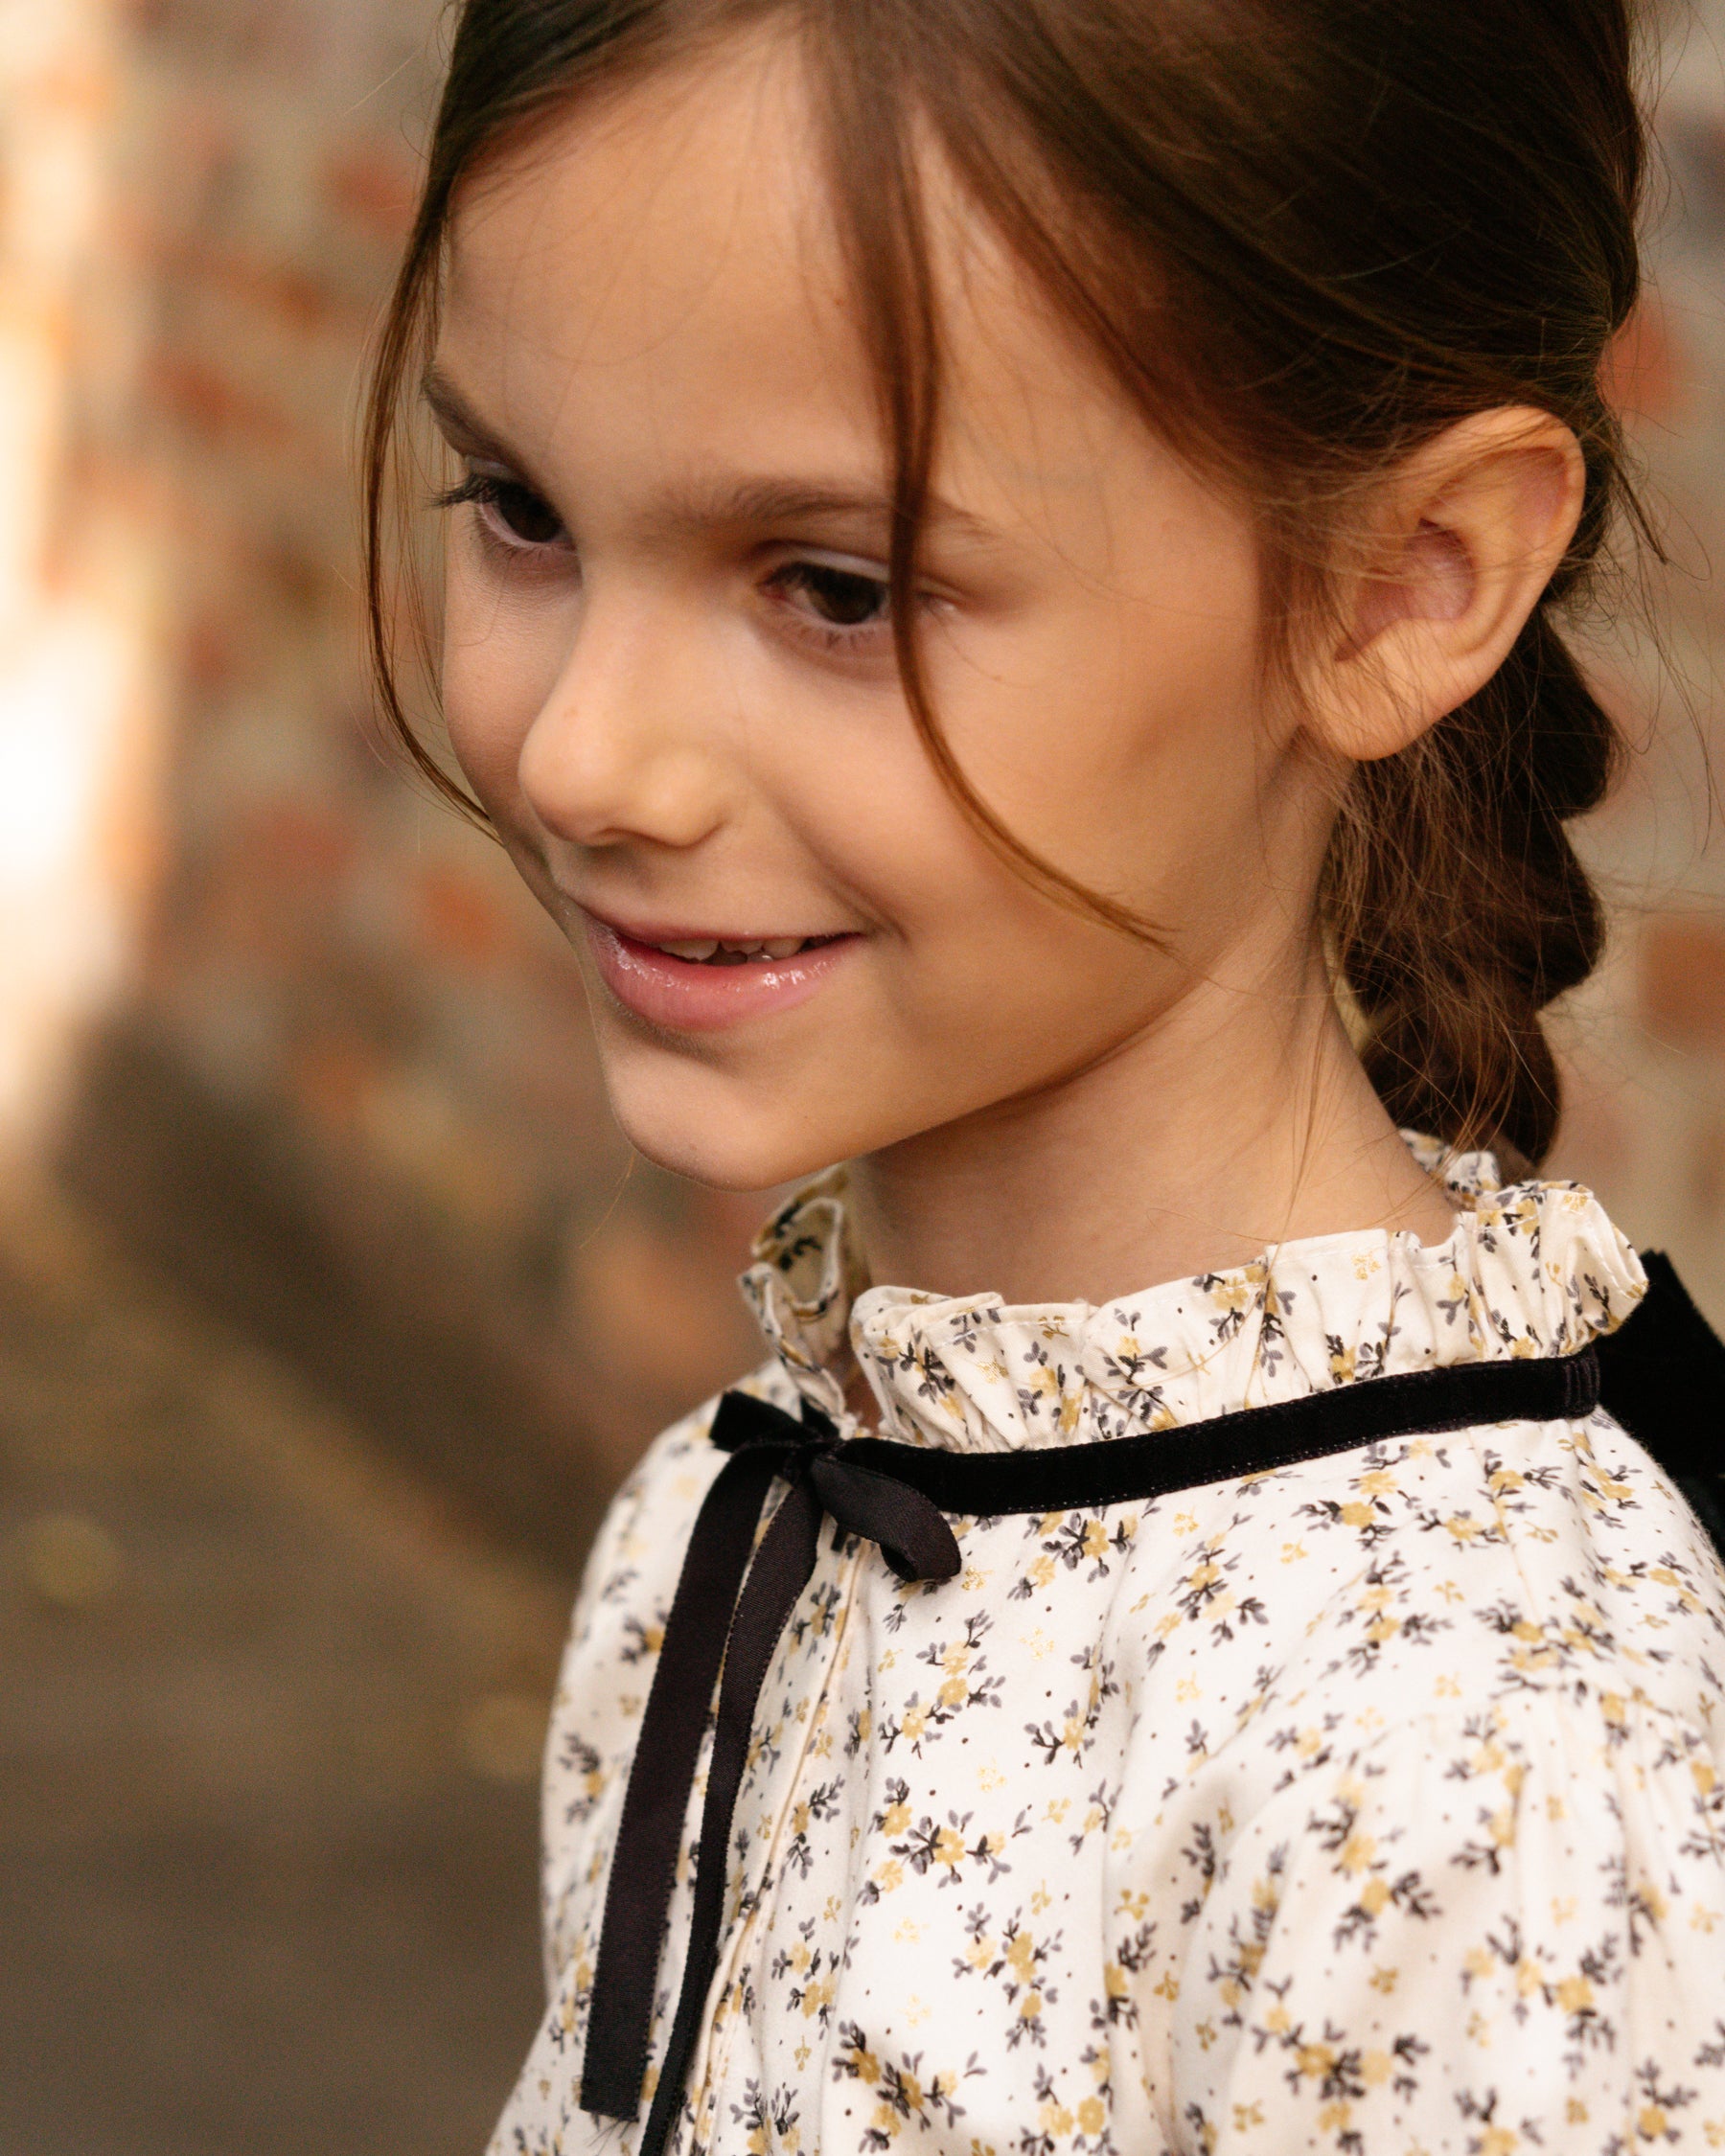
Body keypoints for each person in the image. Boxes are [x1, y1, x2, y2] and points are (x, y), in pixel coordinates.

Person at [362, 2, 1725, 2150]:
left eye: (832, 585)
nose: (578, 753)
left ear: (1403, 583)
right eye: (521, 508)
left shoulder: (1484, 1793)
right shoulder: (723, 1529)